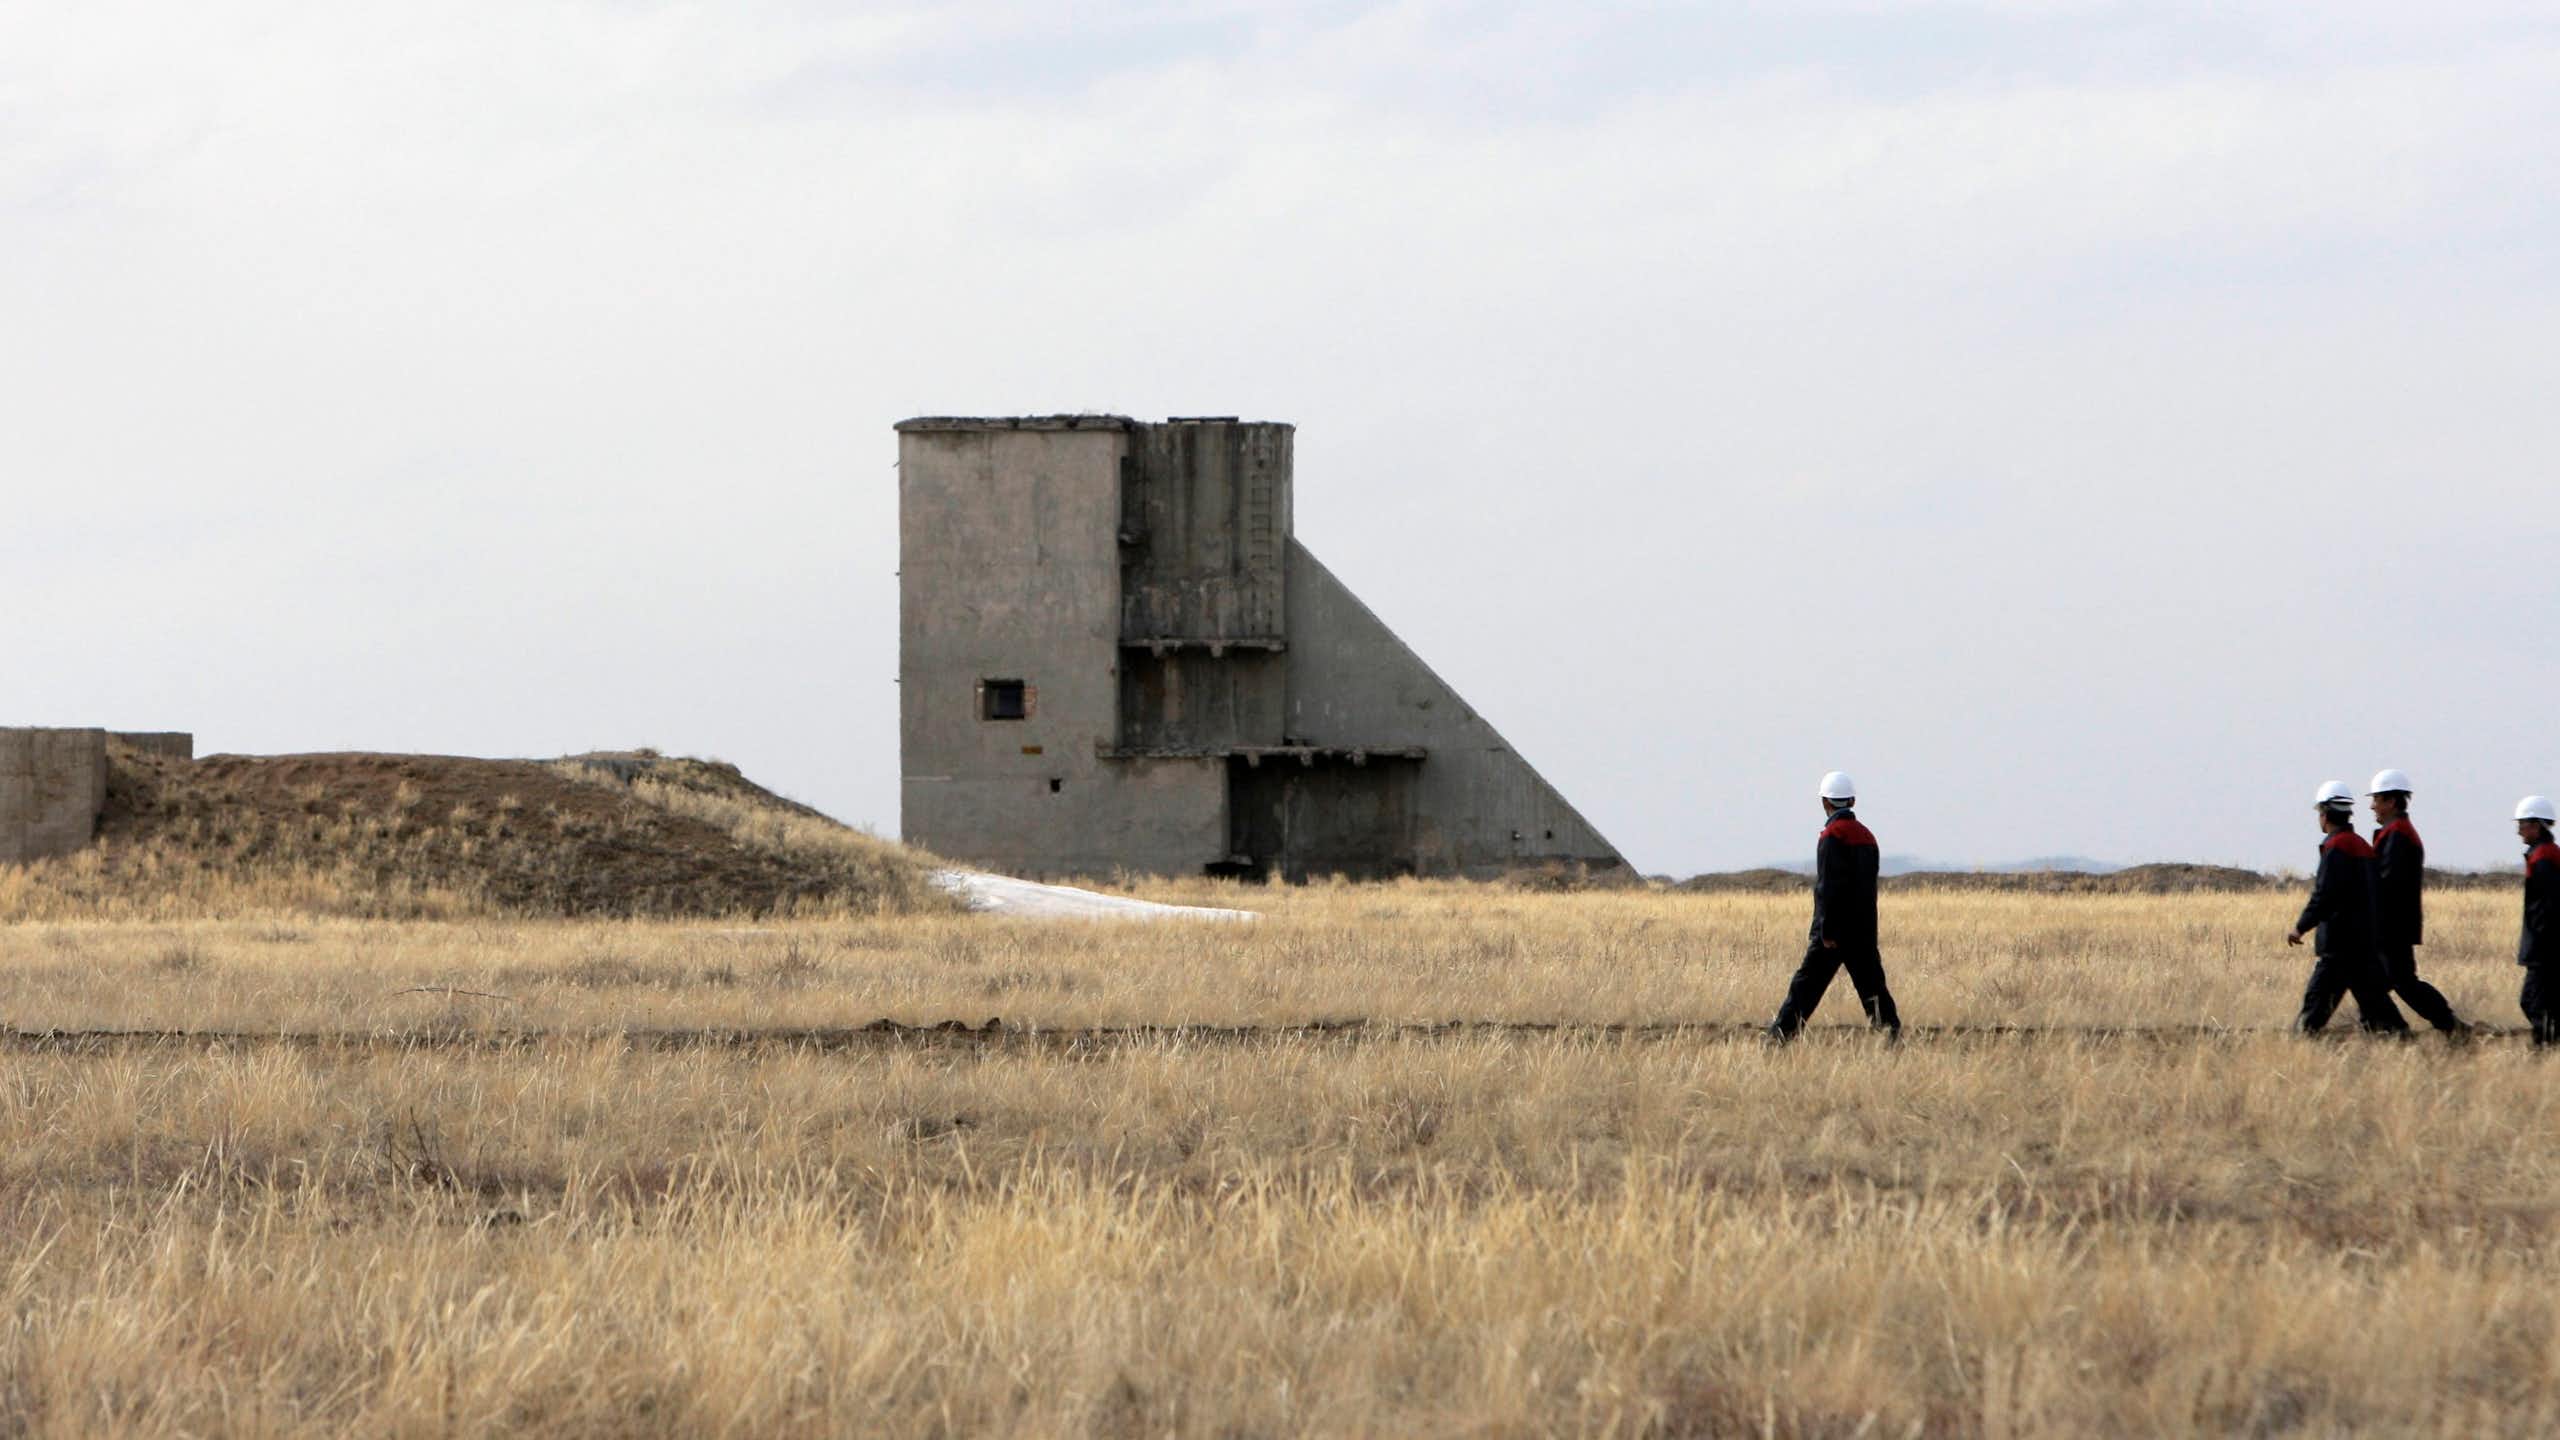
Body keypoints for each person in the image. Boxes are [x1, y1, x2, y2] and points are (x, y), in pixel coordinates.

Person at [1768, 771, 1901, 1040]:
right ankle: (1892, 1040)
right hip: (1863, 931)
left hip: (1834, 933)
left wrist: (1827, 931)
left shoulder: (1832, 835)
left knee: (1804, 989)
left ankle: (1778, 1039)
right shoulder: (1867, 836)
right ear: (1851, 801)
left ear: (1825, 803)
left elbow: (1829, 887)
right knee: (1874, 990)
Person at [2286, 781, 2410, 1035]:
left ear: (2324, 814)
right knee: (2377, 1004)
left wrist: (2300, 927)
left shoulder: (2336, 847)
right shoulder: (2362, 845)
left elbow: (2325, 895)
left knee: (2315, 1007)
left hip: (2339, 945)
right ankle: (2402, 1040)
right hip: (2364, 944)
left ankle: (2298, 1043)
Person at [2364, 769, 2465, 1034]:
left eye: (2376, 799)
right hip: (2393, 923)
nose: (2372, 805)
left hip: (2392, 924)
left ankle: (2445, 1025)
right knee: (2383, 982)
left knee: (2399, 982)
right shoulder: (2395, 832)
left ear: (2391, 802)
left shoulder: (2398, 834)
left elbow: (2387, 884)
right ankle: (2389, 1029)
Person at [2515, 796, 2560, 1046]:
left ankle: (2545, 1047)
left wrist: (2539, 943)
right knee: (2545, 1002)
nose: (2519, 830)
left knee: (2532, 1001)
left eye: (2523, 824)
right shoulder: (2544, 853)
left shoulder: (2544, 857)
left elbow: (2547, 906)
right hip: (2545, 946)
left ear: (2537, 825)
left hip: (2545, 948)